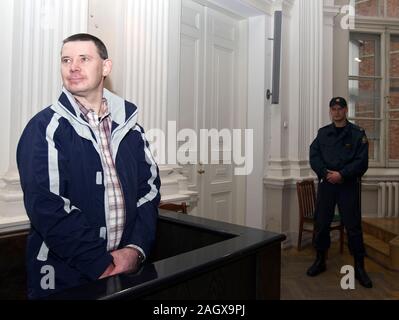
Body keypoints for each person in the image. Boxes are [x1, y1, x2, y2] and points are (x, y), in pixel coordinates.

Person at [16, 33, 161, 299]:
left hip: (125, 268)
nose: (73, 67)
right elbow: (47, 205)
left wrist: (135, 249)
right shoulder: (45, 128)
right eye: (66, 60)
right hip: (63, 275)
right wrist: (100, 263)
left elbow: (149, 191)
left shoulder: (132, 131)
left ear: (105, 67)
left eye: (84, 58)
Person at [307, 97, 372, 288]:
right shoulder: (323, 133)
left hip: (348, 185)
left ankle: (359, 268)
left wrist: (342, 175)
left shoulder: (357, 133)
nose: (336, 112)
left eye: (340, 108)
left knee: (353, 227)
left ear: (345, 111)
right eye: (333, 109)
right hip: (327, 184)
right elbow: (314, 155)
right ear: (330, 111)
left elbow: (362, 161)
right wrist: (325, 173)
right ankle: (320, 261)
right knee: (322, 223)